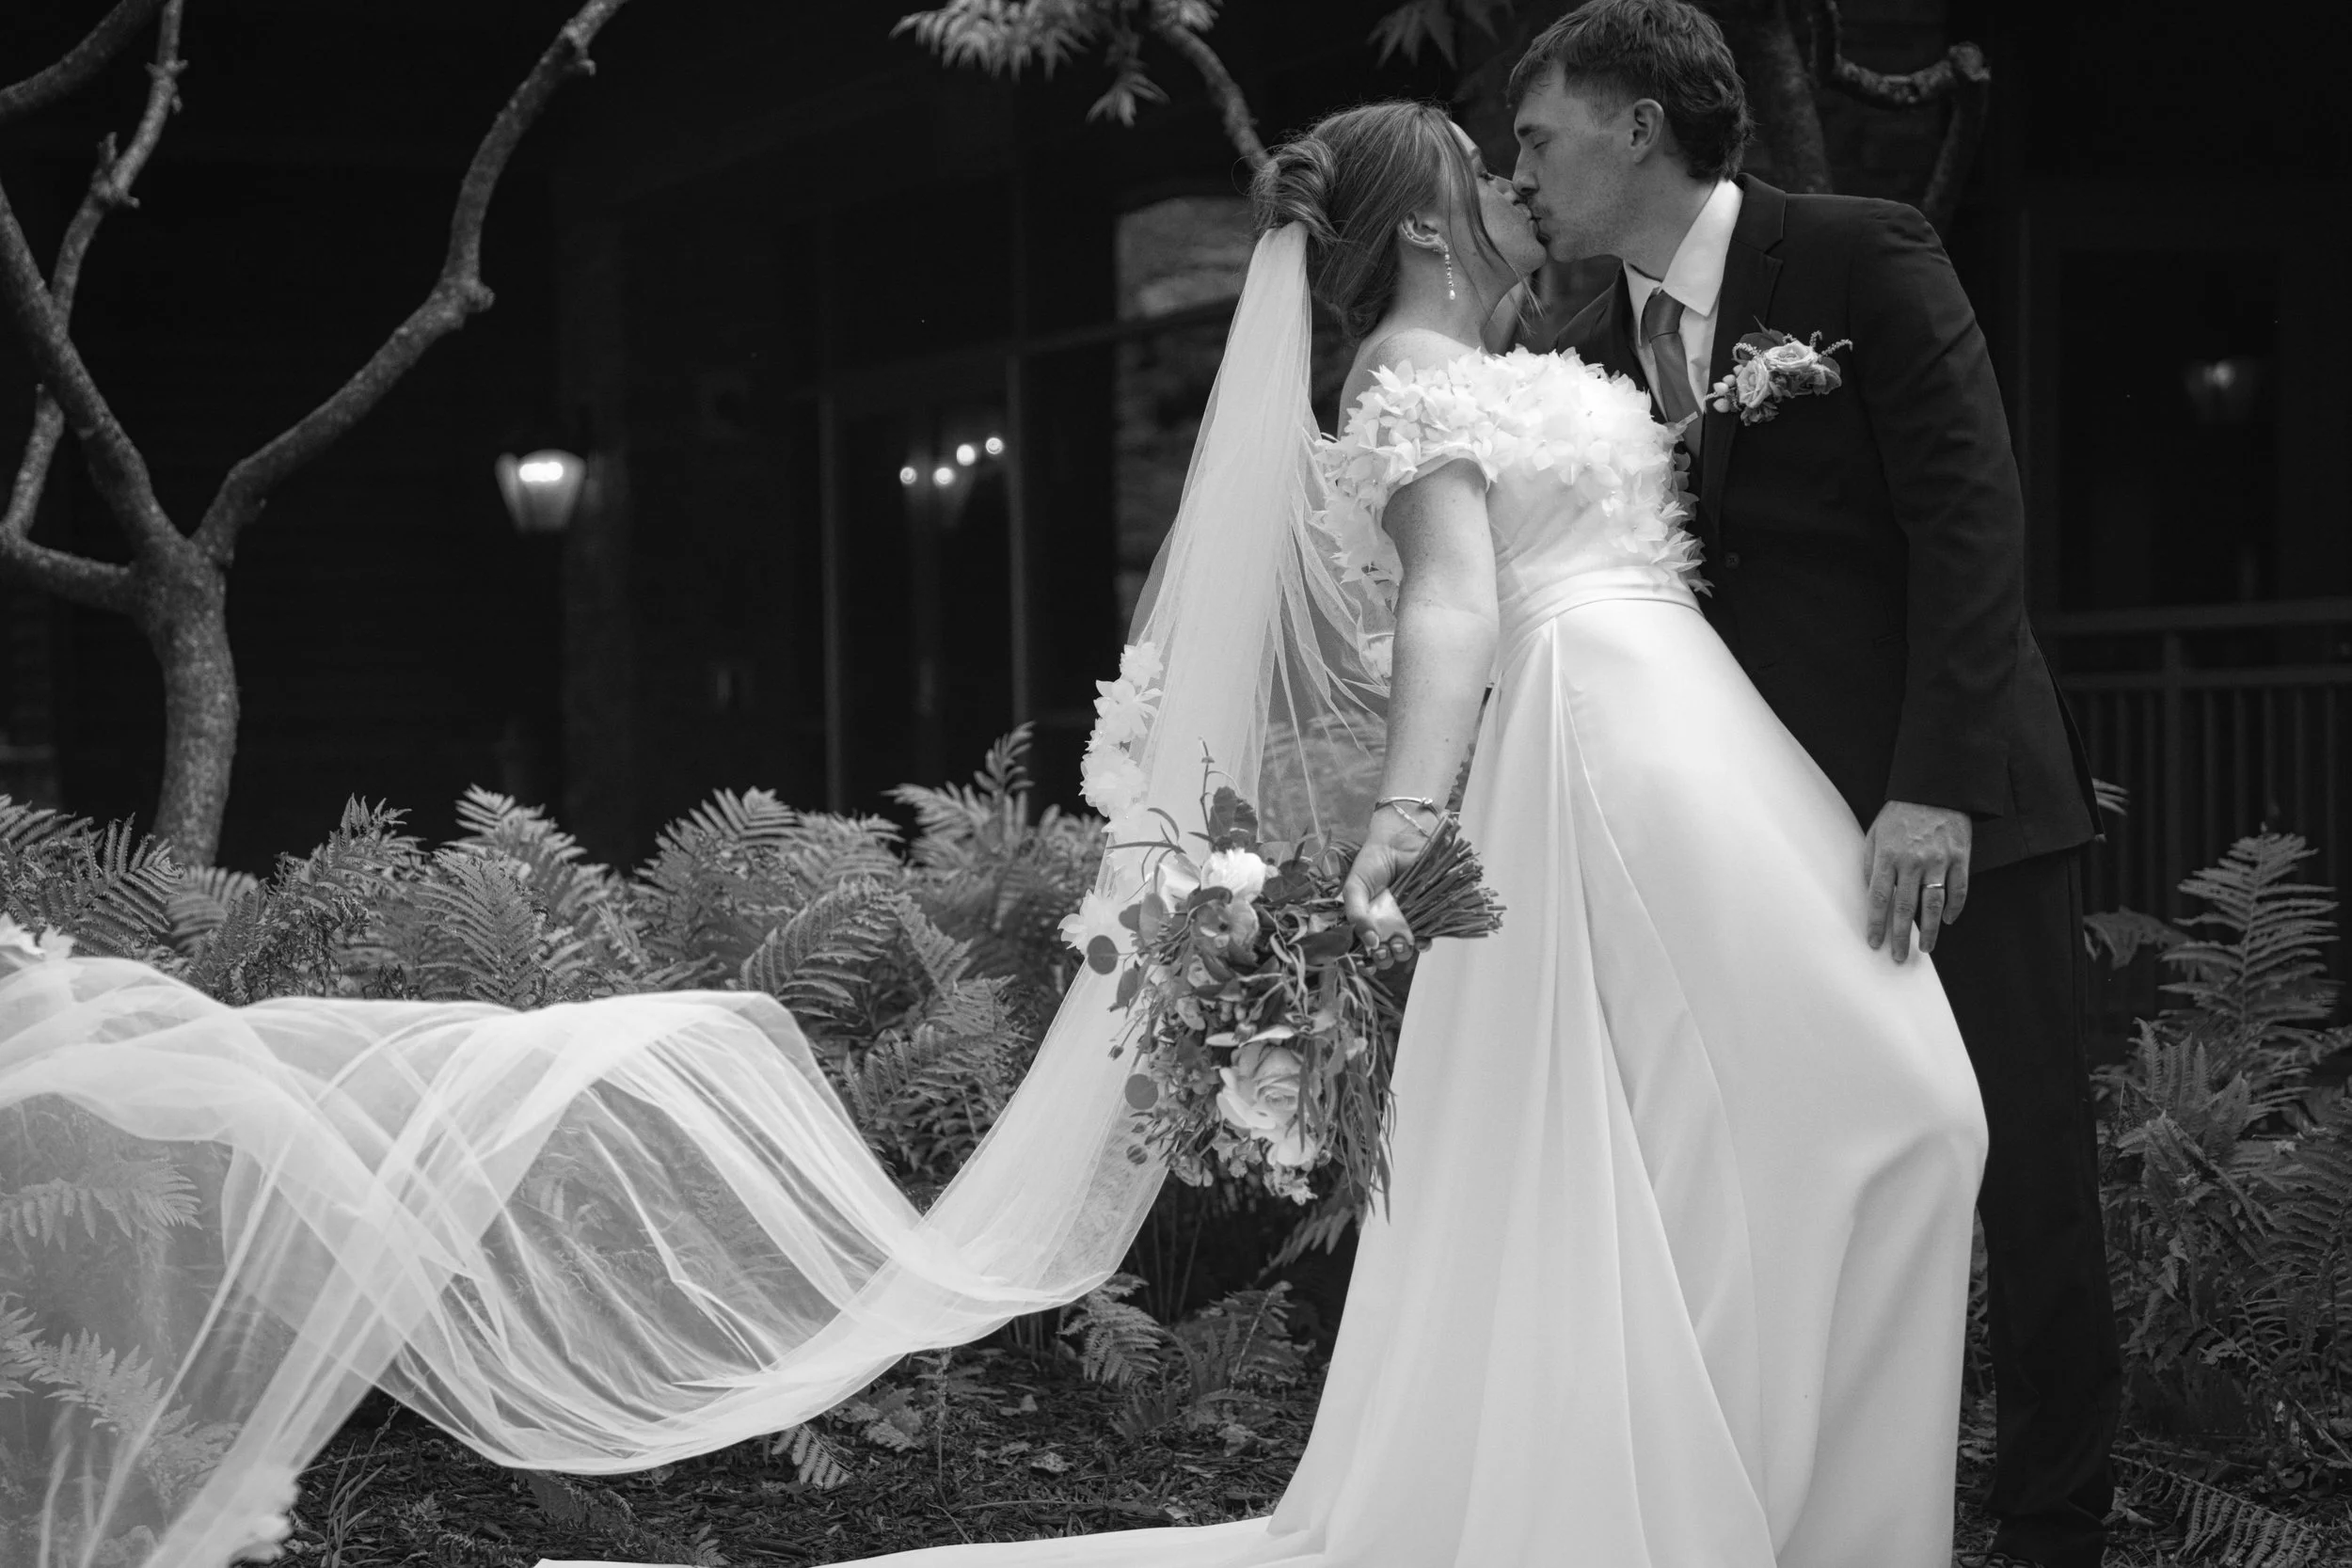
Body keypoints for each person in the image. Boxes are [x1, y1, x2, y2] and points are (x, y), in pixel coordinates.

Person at [0, 84, 1979, 1568]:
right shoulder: (1400, 382)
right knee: (1866, 1104)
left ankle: (1749, 1481)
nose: (1512, 172)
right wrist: (1400, 809)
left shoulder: (1498, 355)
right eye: (1487, 157)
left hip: (1678, 742)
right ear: (1424, 215)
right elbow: (1449, 606)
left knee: (1786, 1123)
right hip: (1599, 754)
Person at [1517, 4, 2121, 1565]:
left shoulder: (1863, 255)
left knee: (2028, 1177)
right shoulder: (1581, 367)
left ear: (1640, 125)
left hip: (1952, 818)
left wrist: (1935, 790)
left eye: (1539, 135)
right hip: (1753, 857)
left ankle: (2054, 1530)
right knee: (1797, 1186)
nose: (1520, 172)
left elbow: (1972, 522)